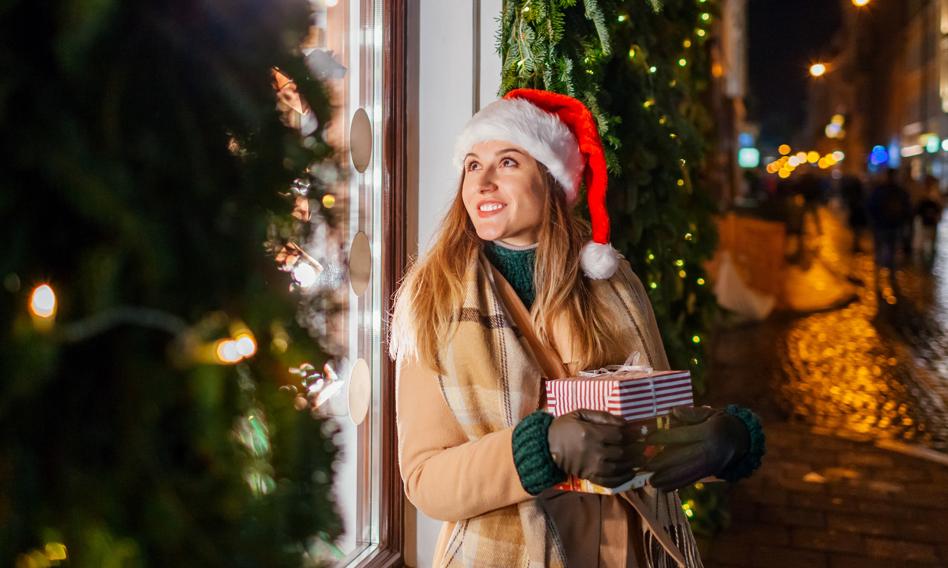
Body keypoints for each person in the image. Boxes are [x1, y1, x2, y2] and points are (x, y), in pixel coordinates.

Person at [390, 89, 765, 567]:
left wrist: (726, 441)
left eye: (507, 162)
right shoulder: (432, 300)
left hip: (627, 551)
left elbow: (656, 424)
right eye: (471, 165)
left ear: (550, 181)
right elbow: (424, 479)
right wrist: (538, 450)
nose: (482, 181)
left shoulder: (611, 280)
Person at [867, 168, 911, 288]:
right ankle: (890, 273)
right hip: (894, 225)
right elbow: (907, 209)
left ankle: (879, 272)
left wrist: (873, 221)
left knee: (880, 249)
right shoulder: (900, 191)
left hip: (881, 225)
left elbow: (871, 206)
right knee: (891, 249)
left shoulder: (879, 190)